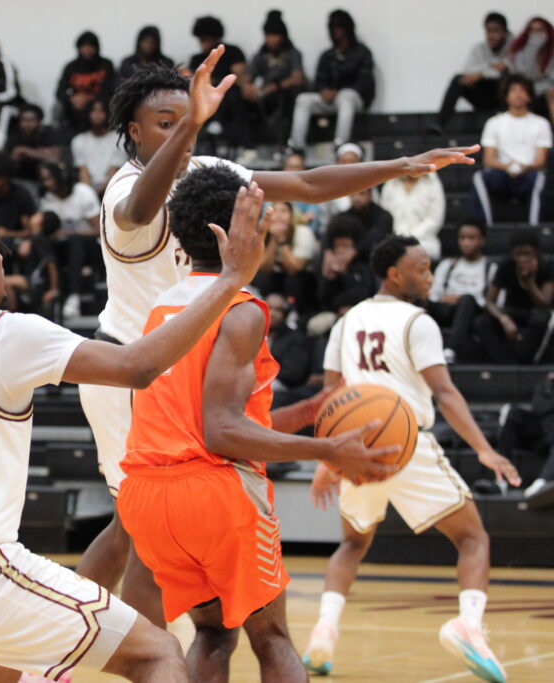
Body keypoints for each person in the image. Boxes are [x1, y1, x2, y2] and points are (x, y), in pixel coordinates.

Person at [77, 56, 478, 627]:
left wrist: (401, 165)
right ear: (135, 133)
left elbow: (311, 184)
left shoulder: (205, 167)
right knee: (135, 522)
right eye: (165, 123)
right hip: (129, 369)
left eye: (183, 119)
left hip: (185, 362)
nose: (179, 129)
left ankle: (133, 642)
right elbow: (142, 208)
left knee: (140, 523)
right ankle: (80, 649)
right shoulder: (123, 192)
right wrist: (192, 124)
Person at [0, 177, 270, 682]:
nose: (3, 258)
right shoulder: (5, 333)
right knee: (157, 653)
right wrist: (230, 281)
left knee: (8, 673)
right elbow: (138, 366)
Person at [118, 165, 391, 682]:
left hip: (150, 496)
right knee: (272, 637)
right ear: (244, 232)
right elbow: (221, 432)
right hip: (215, 494)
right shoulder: (241, 311)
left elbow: (193, 417)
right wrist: (327, 450)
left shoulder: (160, 308)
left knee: (214, 633)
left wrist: (309, 413)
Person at [303, 235, 521, 682]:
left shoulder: (348, 321)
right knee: (472, 539)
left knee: (353, 543)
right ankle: (470, 627)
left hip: (354, 448)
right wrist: (484, 448)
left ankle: (323, 631)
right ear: (394, 275)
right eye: (421, 268)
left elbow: (328, 397)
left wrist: (329, 457)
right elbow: (444, 393)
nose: (428, 275)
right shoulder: (417, 321)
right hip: (404, 443)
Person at [471, 75, 551, 226]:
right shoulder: (494, 123)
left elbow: (541, 160)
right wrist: (507, 166)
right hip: (503, 173)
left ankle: (535, 227)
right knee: (479, 177)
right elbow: (488, 159)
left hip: (528, 173)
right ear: (506, 96)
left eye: (522, 91)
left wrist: (524, 167)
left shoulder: (541, 124)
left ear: (529, 96)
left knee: (539, 178)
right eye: (513, 90)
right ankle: (484, 227)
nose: (518, 94)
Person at [289, 9, 375, 150]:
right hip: (330, 100)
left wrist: (338, 91)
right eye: (333, 28)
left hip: (355, 99)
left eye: (340, 27)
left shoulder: (362, 53)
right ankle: (296, 147)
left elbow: (365, 84)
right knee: (303, 99)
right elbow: (319, 80)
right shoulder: (327, 55)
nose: (337, 32)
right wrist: (323, 91)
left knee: (345, 96)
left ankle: (340, 144)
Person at [473, 228, 554, 364]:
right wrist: (504, 319)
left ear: (536, 252)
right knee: (482, 322)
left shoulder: (547, 265)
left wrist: (530, 281)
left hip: (537, 313)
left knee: (540, 321)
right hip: (513, 311)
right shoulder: (506, 265)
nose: (523, 259)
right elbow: (489, 301)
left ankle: (526, 363)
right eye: (518, 254)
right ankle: (506, 364)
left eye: (527, 254)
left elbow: (544, 304)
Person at [37, 162, 102, 319]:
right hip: (62, 246)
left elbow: (99, 230)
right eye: (43, 180)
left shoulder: (83, 192)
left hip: (89, 247)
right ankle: (51, 292)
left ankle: (73, 297)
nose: (47, 184)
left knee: (74, 240)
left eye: (49, 179)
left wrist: (70, 232)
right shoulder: (47, 199)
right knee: (42, 240)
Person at [427, 218, 495, 363]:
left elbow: (492, 300)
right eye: (462, 238)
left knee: (467, 300)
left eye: (472, 238)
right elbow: (434, 295)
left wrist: (462, 298)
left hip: (473, 310)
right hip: (448, 309)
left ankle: (451, 349)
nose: (467, 243)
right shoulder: (447, 265)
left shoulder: (490, 267)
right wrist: (443, 299)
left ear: (482, 240)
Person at [433, 13, 510, 134]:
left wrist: (481, 73)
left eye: (496, 31)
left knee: (508, 79)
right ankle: (439, 124)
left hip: (502, 97)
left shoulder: (514, 47)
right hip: (483, 95)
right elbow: (468, 71)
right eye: (488, 31)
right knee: (458, 79)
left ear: (505, 32)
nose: (491, 35)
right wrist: (489, 70)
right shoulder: (479, 48)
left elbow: (511, 70)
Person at [244, 10, 306, 147]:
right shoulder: (261, 56)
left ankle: (287, 144)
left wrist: (275, 87)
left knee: (289, 98)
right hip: (266, 97)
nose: (271, 39)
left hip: (287, 95)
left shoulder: (292, 53)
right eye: (268, 35)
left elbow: (298, 79)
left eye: (275, 35)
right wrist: (249, 89)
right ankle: (248, 145)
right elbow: (247, 78)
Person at [186, 16, 248, 151]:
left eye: (204, 39)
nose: (202, 43)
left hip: (230, 93)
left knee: (231, 95)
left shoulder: (232, 51)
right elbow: (192, 79)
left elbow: (239, 76)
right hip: (204, 95)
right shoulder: (197, 59)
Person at [254, 201, 318, 313]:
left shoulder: (302, 232)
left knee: (293, 281)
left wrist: (282, 241)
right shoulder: (264, 234)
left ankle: (295, 314)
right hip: (275, 277)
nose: (278, 215)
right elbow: (265, 268)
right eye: (274, 211)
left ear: (292, 214)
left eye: (283, 211)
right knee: (261, 278)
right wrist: (274, 238)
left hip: (300, 279)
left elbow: (295, 268)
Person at [57, 31, 116, 133]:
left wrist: (89, 98)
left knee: (97, 107)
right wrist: (72, 99)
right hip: (76, 106)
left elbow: (110, 88)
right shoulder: (71, 67)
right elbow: (60, 91)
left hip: (99, 103)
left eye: (90, 47)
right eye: (84, 47)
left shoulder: (106, 64)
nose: (87, 50)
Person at [380, 173, 445, 260]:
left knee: (413, 252)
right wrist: (398, 238)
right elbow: (385, 215)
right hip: (393, 238)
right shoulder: (391, 182)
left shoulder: (432, 182)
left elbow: (434, 220)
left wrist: (409, 238)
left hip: (424, 240)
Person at [317, 215, 376, 313]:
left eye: (345, 246)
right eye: (338, 246)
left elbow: (364, 293)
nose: (341, 251)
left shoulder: (361, 268)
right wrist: (331, 278)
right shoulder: (327, 268)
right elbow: (322, 299)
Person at [71, 99, 127, 196]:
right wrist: (89, 194)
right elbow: (83, 171)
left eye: (101, 110)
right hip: (89, 189)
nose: (97, 114)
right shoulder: (78, 141)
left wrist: (102, 191)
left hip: (115, 186)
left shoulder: (119, 138)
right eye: (93, 111)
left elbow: (115, 170)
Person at [506, 17, 554, 123]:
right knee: (520, 92)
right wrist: (533, 48)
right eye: (533, 30)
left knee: (551, 94)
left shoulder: (552, 51)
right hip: (528, 88)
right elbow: (525, 76)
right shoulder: (520, 51)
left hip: (548, 90)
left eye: (540, 30)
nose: (536, 35)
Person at [4, 104, 63, 183]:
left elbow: (55, 157)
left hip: (43, 180)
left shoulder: (49, 133)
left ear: (40, 121)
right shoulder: (14, 134)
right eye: (24, 120)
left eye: (32, 120)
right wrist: (41, 153)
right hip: (19, 178)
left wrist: (24, 151)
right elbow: (13, 157)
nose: (27, 124)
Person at [340, 187, 394, 261]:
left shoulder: (384, 216)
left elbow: (376, 237)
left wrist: (354, 250)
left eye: (361, 193)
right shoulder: (343, 217)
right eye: (352, 194)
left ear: (370, 195)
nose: (356, 198)